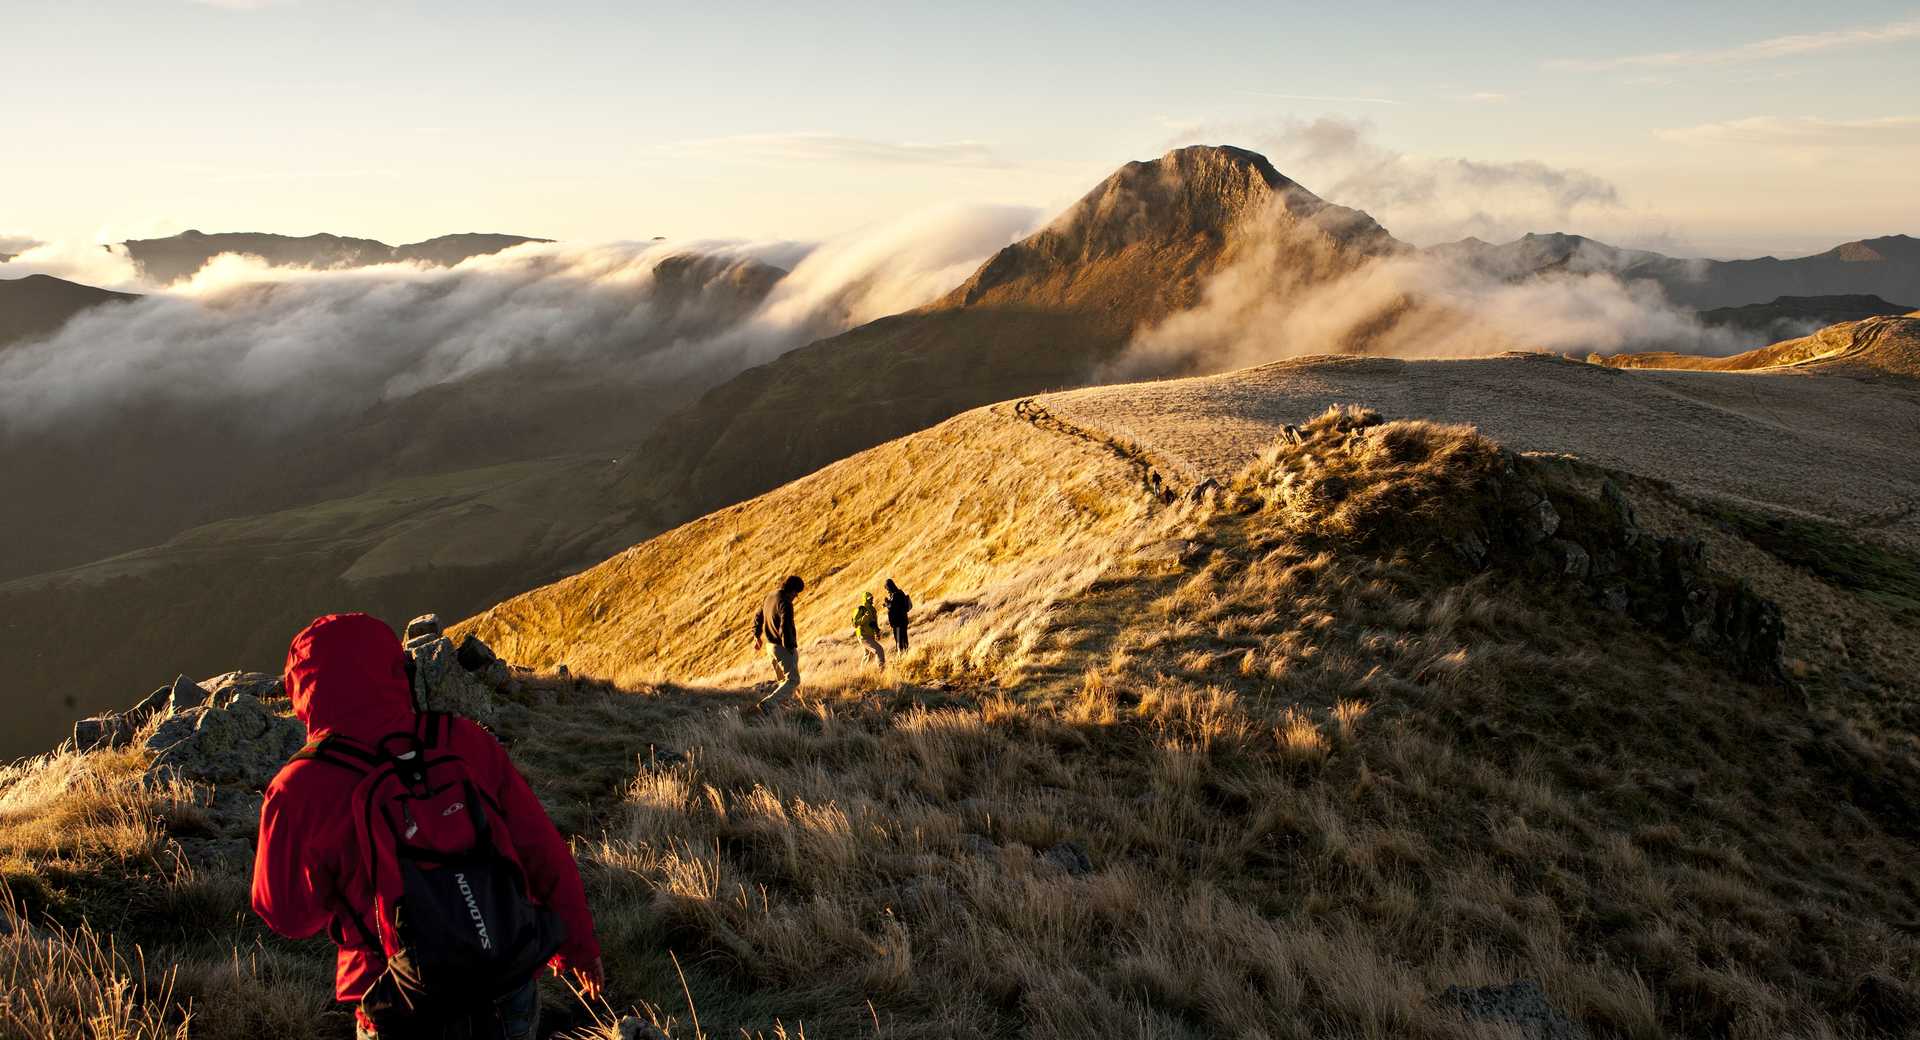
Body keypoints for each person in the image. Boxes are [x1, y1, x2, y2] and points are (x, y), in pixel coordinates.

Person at [251, 613, 603, 1040]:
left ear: (303, 691)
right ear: (396, 669)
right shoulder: (461, 739)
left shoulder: (298, 787)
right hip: (505, 976)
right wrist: (578, 948)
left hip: (396, 998)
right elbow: (540, 848)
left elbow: (287, 915)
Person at [751, 575, 805, 713]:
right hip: (782, 647)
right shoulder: (785, 602)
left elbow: (758, 616)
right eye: (796, 594)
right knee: (793, 680)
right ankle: (768, 704)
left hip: (770, 647)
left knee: (783, 681)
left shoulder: (770, 596)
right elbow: (785, 626)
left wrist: (756, 636)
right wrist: (790, 647)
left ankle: (778, 710)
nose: (795, 597)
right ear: (792, 590)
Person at [853, 591, 886, 668]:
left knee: (869, 655)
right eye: (869, 599)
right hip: (863, 636)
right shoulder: (861, 609)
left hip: (870, 635)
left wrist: (877, 632)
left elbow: (874, 622)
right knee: (879, 650)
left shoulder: (873, 610)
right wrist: (864, 617)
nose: (871, 600)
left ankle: (862, 674)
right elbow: (855, 624)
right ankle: (881, 671)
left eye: (871, 598)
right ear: (865, 599)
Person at [883, 578, 912, 654]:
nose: (887, 591)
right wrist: (888, 603)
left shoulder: (896, 595)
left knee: (899, 641)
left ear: (889, 587)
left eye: (886, 588)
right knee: (904, 639)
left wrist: (887, 603)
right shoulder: (899, 593)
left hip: (898, 622)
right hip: (902, 621)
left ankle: (901, 657)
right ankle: (905, 655)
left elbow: (893, 607)